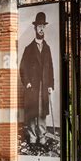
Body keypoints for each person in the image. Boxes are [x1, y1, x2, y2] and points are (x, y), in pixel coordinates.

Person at [19, 11, 54, 149]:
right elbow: (23, 68)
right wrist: (26, 82)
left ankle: (42, 138)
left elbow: (50, 68)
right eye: (39, 26)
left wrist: (50, 84)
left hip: (44, 86)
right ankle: (33, 138)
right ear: (35, 28)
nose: (41, 29)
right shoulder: (28, 49)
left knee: (42, 113)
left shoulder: (48, 48)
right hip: (32, 86)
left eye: (43, 26)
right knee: (33, 112)